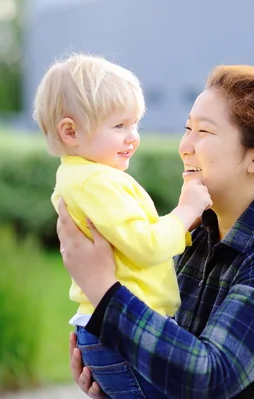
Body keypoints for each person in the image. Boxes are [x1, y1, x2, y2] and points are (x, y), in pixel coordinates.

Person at [57, 63, 254, 398]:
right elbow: (178, 360)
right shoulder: (199, 232)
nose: (184, 146)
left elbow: (210, 377)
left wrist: (104, 294)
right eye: (187, 128)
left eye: (203, 132)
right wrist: (121, 377)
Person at [33, 53, 212, 399]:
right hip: (124, 331)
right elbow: (145, 246)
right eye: (119, 126)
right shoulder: (96, 183)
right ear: (70, 131)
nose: (133, 137)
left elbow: (131, 239)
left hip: (114, 328)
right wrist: (185, 211)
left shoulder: (81, 176)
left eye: (135, 124)